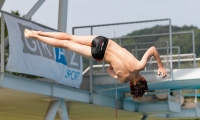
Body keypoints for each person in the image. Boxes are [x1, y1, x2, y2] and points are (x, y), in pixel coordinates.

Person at [24, 29, 167, 100]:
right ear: (132, 85)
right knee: (66, 45)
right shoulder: (123, 78)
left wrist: (161, 66)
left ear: (142, 80)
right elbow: (109, 69)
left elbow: (153, 49)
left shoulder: (140, 65)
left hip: (103, 42)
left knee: (70, 37)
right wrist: (113, 64)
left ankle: (36, 32)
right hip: (99, 55)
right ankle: (34, 37)